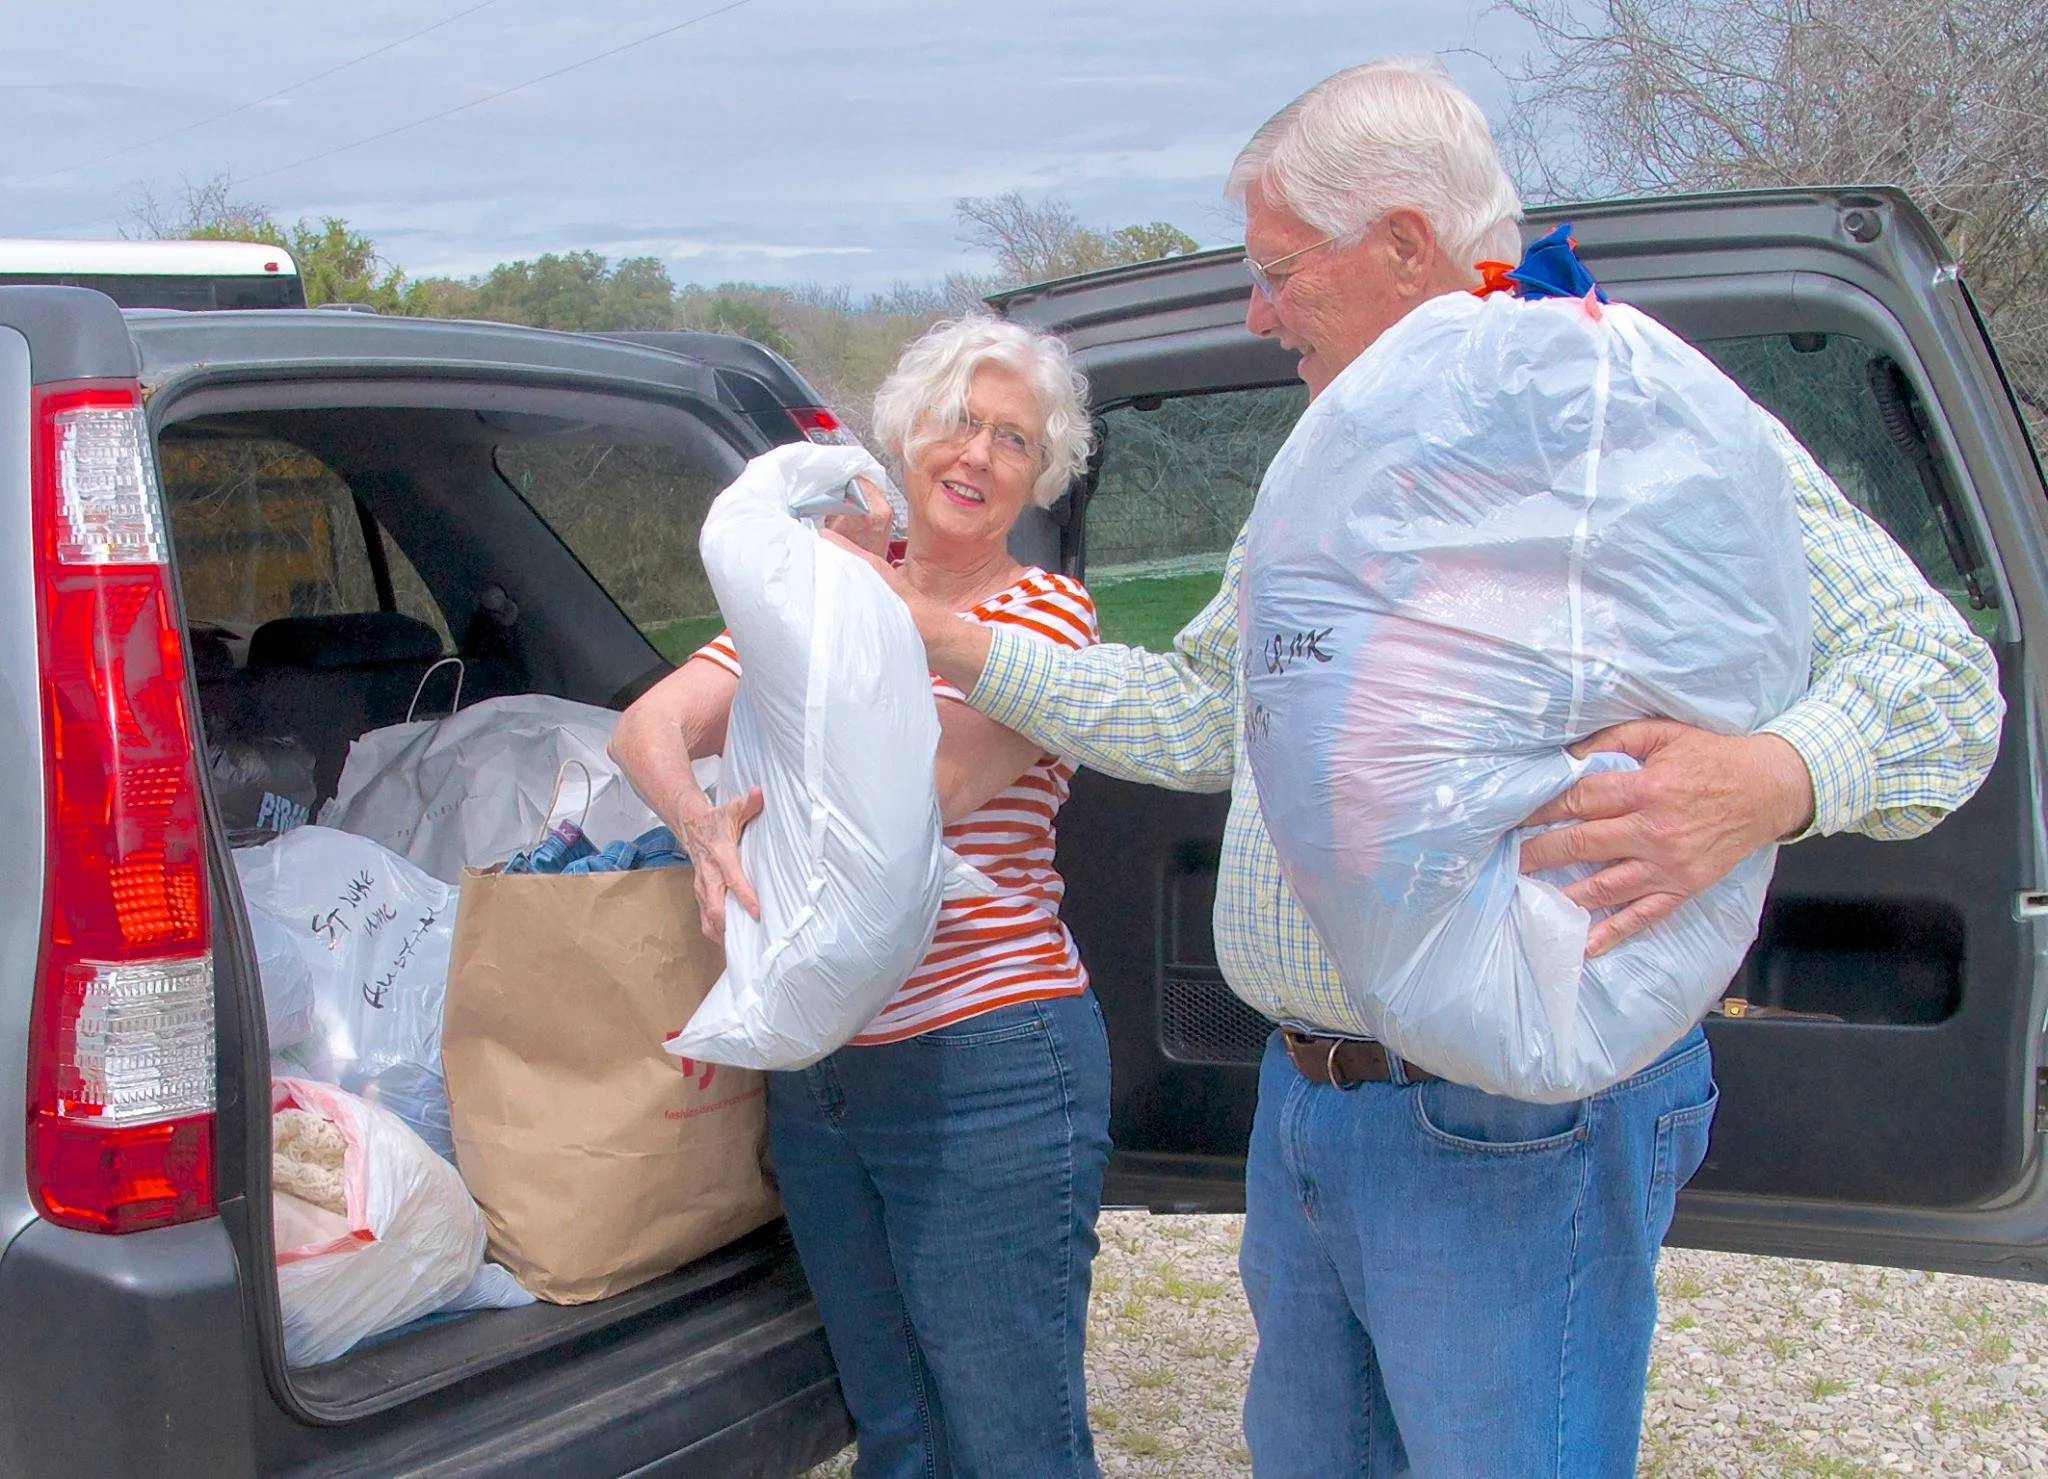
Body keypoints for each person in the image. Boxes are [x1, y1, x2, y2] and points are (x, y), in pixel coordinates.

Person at [848, 58, 2005, 1477]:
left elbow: (1945, 687)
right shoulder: (1331, 461)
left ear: (1400, 244)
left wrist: (1771, 776)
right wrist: (938, 636)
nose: (1256, 310)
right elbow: (1211, 710)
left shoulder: (1620, 422)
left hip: (1511, 1125)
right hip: (1312, 1108)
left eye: (1277, 270)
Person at [612, 315, 1109, 1479]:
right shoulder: (818, 601)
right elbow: (648, 727)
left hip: (986, 1062)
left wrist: (819, 598)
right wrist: (699, 822)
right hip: (822, 1067)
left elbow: (913, 794)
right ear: (904, 435)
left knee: (1010, 1438)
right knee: (895, 1432)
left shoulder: (1036, 620)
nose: (976, 456)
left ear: (1038, 477)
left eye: (1012, 441)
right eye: (956, 422)